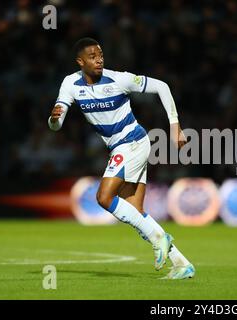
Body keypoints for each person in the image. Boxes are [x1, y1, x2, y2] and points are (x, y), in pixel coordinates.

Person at [48, 37, 195, 279]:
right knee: (135, 213)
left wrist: (175, 125)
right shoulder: (70, 84)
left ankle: (162, 239)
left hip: (132, 143)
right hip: (122, 147)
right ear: (80, 61)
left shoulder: (119, 79)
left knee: (104, 197)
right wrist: (54, 119)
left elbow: (162, 86)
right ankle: (181, 263)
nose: (99, 60)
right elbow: (57, 123)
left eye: (101, 55)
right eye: (93, 56)